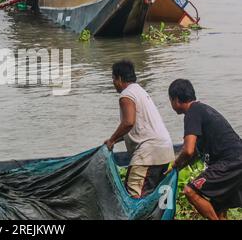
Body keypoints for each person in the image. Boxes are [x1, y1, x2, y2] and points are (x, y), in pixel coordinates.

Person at [167, 79, 242, 220]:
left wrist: (176, 164)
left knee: (190, 191)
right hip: (236, 161)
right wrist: (177, 168)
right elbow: (194, 154)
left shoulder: (192, 112)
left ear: (176, 100)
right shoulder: (203, 109)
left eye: (170, 100)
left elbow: (188, 150)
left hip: (229, 162)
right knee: (218, 208)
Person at [104, 60, 175, 198]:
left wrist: (112, 139)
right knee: (158, 196)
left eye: (113, 78)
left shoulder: (126, 95)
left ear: (119, 78)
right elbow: (138, 127)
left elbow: (128, 122)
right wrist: (114, 140)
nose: (113, 83)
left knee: (133, 194)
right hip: (165, 150)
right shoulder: (140, 91)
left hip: (148, 153)